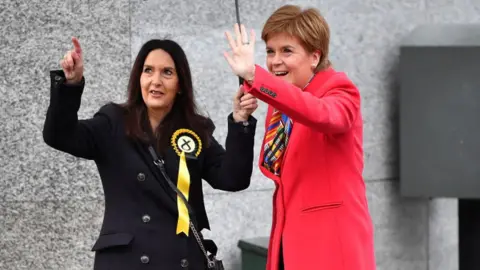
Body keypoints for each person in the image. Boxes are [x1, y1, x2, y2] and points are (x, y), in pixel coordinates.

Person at [43, 37, 258, 270]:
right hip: (126, 261)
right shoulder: (113, 122)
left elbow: (232, 179)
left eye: (167, 72)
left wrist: (240, 121)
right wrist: (70, 85)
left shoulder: (194, 130)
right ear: (139, 78)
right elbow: (59, 136)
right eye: (148, 71)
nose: (156, 81)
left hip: (182, 260)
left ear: (180, 85)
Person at [222, 5, 376, 270]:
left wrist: (254, 75)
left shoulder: (339, 90)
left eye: (287, 51)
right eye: (270, 51)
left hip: (333, 250)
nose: (274, 61)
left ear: (314, 57)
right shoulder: (281, 104)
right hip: (290, 246)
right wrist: (241, 119)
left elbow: (322, 114)